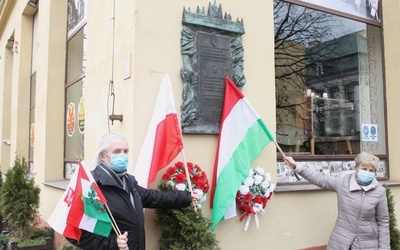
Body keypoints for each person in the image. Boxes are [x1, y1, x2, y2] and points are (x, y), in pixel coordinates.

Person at [67, 133, 196, 250]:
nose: (122, 155)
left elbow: (154, 197)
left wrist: (187, 197)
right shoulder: (92, 186)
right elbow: (74, 233)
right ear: (102, 155)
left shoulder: (128, 181)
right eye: (117, 151)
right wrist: (113, 243)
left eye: (125, 151)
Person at [284, 152, 390, 250]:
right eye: (364, 168)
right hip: (341, 242)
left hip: (368, 244)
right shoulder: (343, 183)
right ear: (356, 169)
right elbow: (320, 179)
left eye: (371, 170)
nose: (367, 172)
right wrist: (297, 166)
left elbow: (383, 222)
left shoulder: (379, 192)